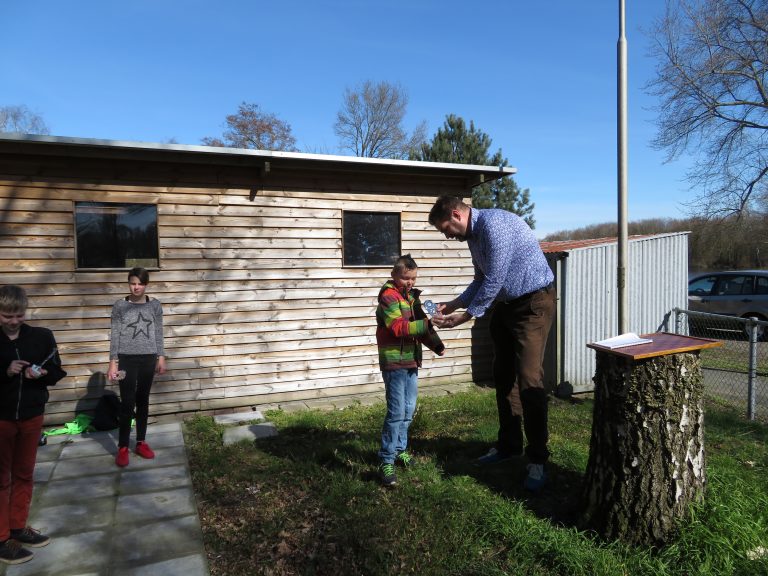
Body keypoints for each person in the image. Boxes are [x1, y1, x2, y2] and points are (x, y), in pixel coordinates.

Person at [428, 195, 555, 491]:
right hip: (506, 305)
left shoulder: (495, 225)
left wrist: (466, 316)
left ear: (457, 215)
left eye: (445, 228)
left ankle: (538, 460)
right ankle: (509, 446)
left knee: (528, 379)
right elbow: (481, 279)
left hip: (533, 303)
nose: (446, 235)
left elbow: (495, 277)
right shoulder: (473, 236)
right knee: (503, 376)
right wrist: (453, 304)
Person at [0, 285, 66, 565]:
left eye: (19, 315)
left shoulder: (41, 337)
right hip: (1, 418)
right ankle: (2, 538)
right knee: (1, 478)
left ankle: (18, 527)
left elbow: (57, 371)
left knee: (25, 474)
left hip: (31, 415)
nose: (14, 321)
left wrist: (41, 373)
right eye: (6, 315)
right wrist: (5, 371)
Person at [376, 254, 445, 487]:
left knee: (408, 409)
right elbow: (398, 327)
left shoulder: (412, 298)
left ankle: (399, 450)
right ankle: (385, 461)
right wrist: (428, 323)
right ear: (394, 275)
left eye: (413, 278)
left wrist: (437, 345)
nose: (410, 282)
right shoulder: (388, 297)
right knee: (395, 412)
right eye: (406, 278)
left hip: (411, 361)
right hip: (394, 362)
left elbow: (421, 327)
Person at [107, 267, 166, 468]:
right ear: (128, 283)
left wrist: (161, 356)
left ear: (146, 284)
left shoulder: (155, 306)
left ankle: (140, 442)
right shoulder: (120, 306)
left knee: (143, 400)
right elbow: (115, 334)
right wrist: (113, 362)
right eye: (133, 283)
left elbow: (159, 333)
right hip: (126, 360)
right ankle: (123, 446)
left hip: (149, 359)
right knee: (127, 402)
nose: (136, 287)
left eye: (140, 283)